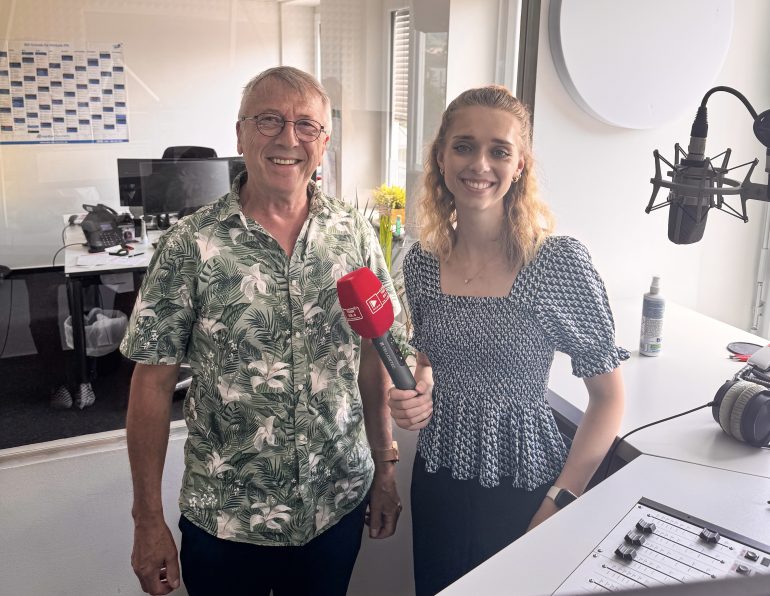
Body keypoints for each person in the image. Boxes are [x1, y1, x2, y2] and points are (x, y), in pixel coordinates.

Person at [120, 66, 402, 596]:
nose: (288, 139)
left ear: (324, 142)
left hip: (334, 506)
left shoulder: (354, 234)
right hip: (226, 519)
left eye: (306, 125)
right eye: (268, 120)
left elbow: (374, 357)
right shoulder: (190, 244)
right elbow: (152, 385)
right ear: (240, 134)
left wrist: (385, 465)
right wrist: (147, 519)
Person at [388, 85, 627, 596]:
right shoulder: (422, 264)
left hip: (527, 487)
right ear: (440, 157)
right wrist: (418, 392)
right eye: (464, 146)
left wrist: (560, 501)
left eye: (499, 150)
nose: (480, 164)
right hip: (437, 480)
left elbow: (609, 399)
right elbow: (428, 359)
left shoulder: (554, 263)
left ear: (520, 166)